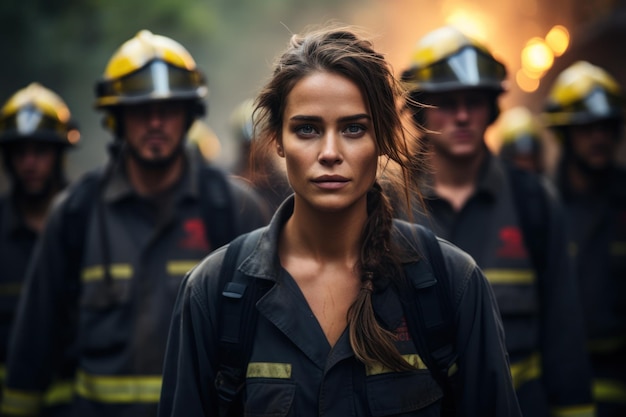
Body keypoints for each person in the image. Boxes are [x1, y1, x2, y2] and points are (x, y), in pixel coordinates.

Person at [158, 25, 522, 417]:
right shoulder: (215, 292)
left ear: (381, 138)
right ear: (278, 139)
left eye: (353, 128)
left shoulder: (451, 284)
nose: (330, 152)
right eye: (307, 129)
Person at [1, 30, 269, 417]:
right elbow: (34, 342)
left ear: (189, 113)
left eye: (169, 108)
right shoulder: (75, 213)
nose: (156, 122)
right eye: (141, 109)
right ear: (117, 117)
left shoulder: (233, 208)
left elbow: (265, 342)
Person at [400, 26, 595, 417]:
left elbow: (564, 330)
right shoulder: (389, 203)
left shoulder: (533, 202)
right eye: (446, 102)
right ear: (420, 110)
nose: (461, 116)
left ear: (492, 108)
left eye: (474, 101)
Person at [543, 60, 626, 417]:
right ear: (564, 133)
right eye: (587, 128)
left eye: (606, 127)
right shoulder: (541, 205)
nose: (599, 138)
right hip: (555, 381)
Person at [0, 82, 79, 413]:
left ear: (60, 154)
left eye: (41, 151)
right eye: (20, 152)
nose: (30, 163)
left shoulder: (87, 223)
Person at [228, 98, 292, 213]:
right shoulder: (229, 183)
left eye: (258, 144)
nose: (253, 152)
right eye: (247, 147)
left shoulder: (284, 187)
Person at [496, 106, 545, 174]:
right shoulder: (498, 181)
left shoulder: (542, 183)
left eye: (529, 159)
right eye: (519, 159)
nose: (525, 165)